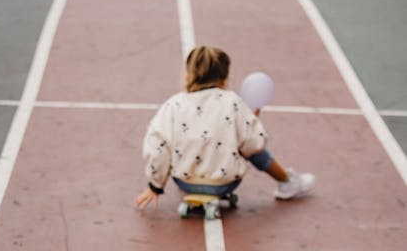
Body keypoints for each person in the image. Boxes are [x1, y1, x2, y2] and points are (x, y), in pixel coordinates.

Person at [135, 46, 315, 210]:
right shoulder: (233, 102)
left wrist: (155, 186)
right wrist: (252, 120)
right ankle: (287, 181)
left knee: (177, 140)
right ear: (224, 79)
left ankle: (193, 171)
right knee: (246, 139)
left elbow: (157, 148)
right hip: (224, 183)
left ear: (188, 76)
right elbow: (255, 144)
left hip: (185, 182)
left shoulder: (173, 105)